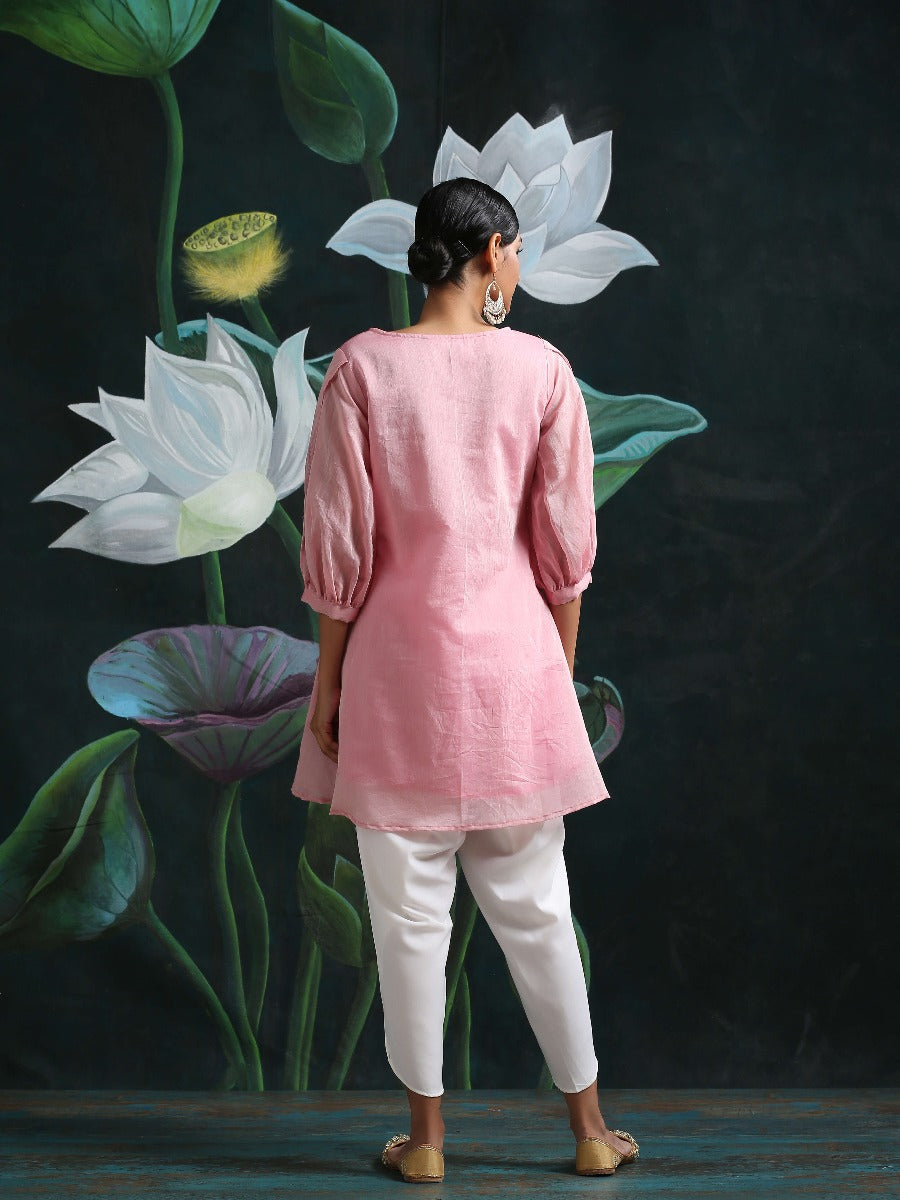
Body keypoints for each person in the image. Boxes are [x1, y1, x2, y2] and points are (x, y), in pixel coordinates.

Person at [291, 178, 639, 1182]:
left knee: (407, 922)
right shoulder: (542, 370)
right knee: (538, 910)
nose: (517, 269)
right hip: (513, 671)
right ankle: (590, 1132)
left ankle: (427, 1145)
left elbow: (339, 550)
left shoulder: (361, 368)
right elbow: (565, 553)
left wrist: (328, 686)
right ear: (489, 253)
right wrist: (554, 673)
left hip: (395, 676)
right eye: (516, 252)